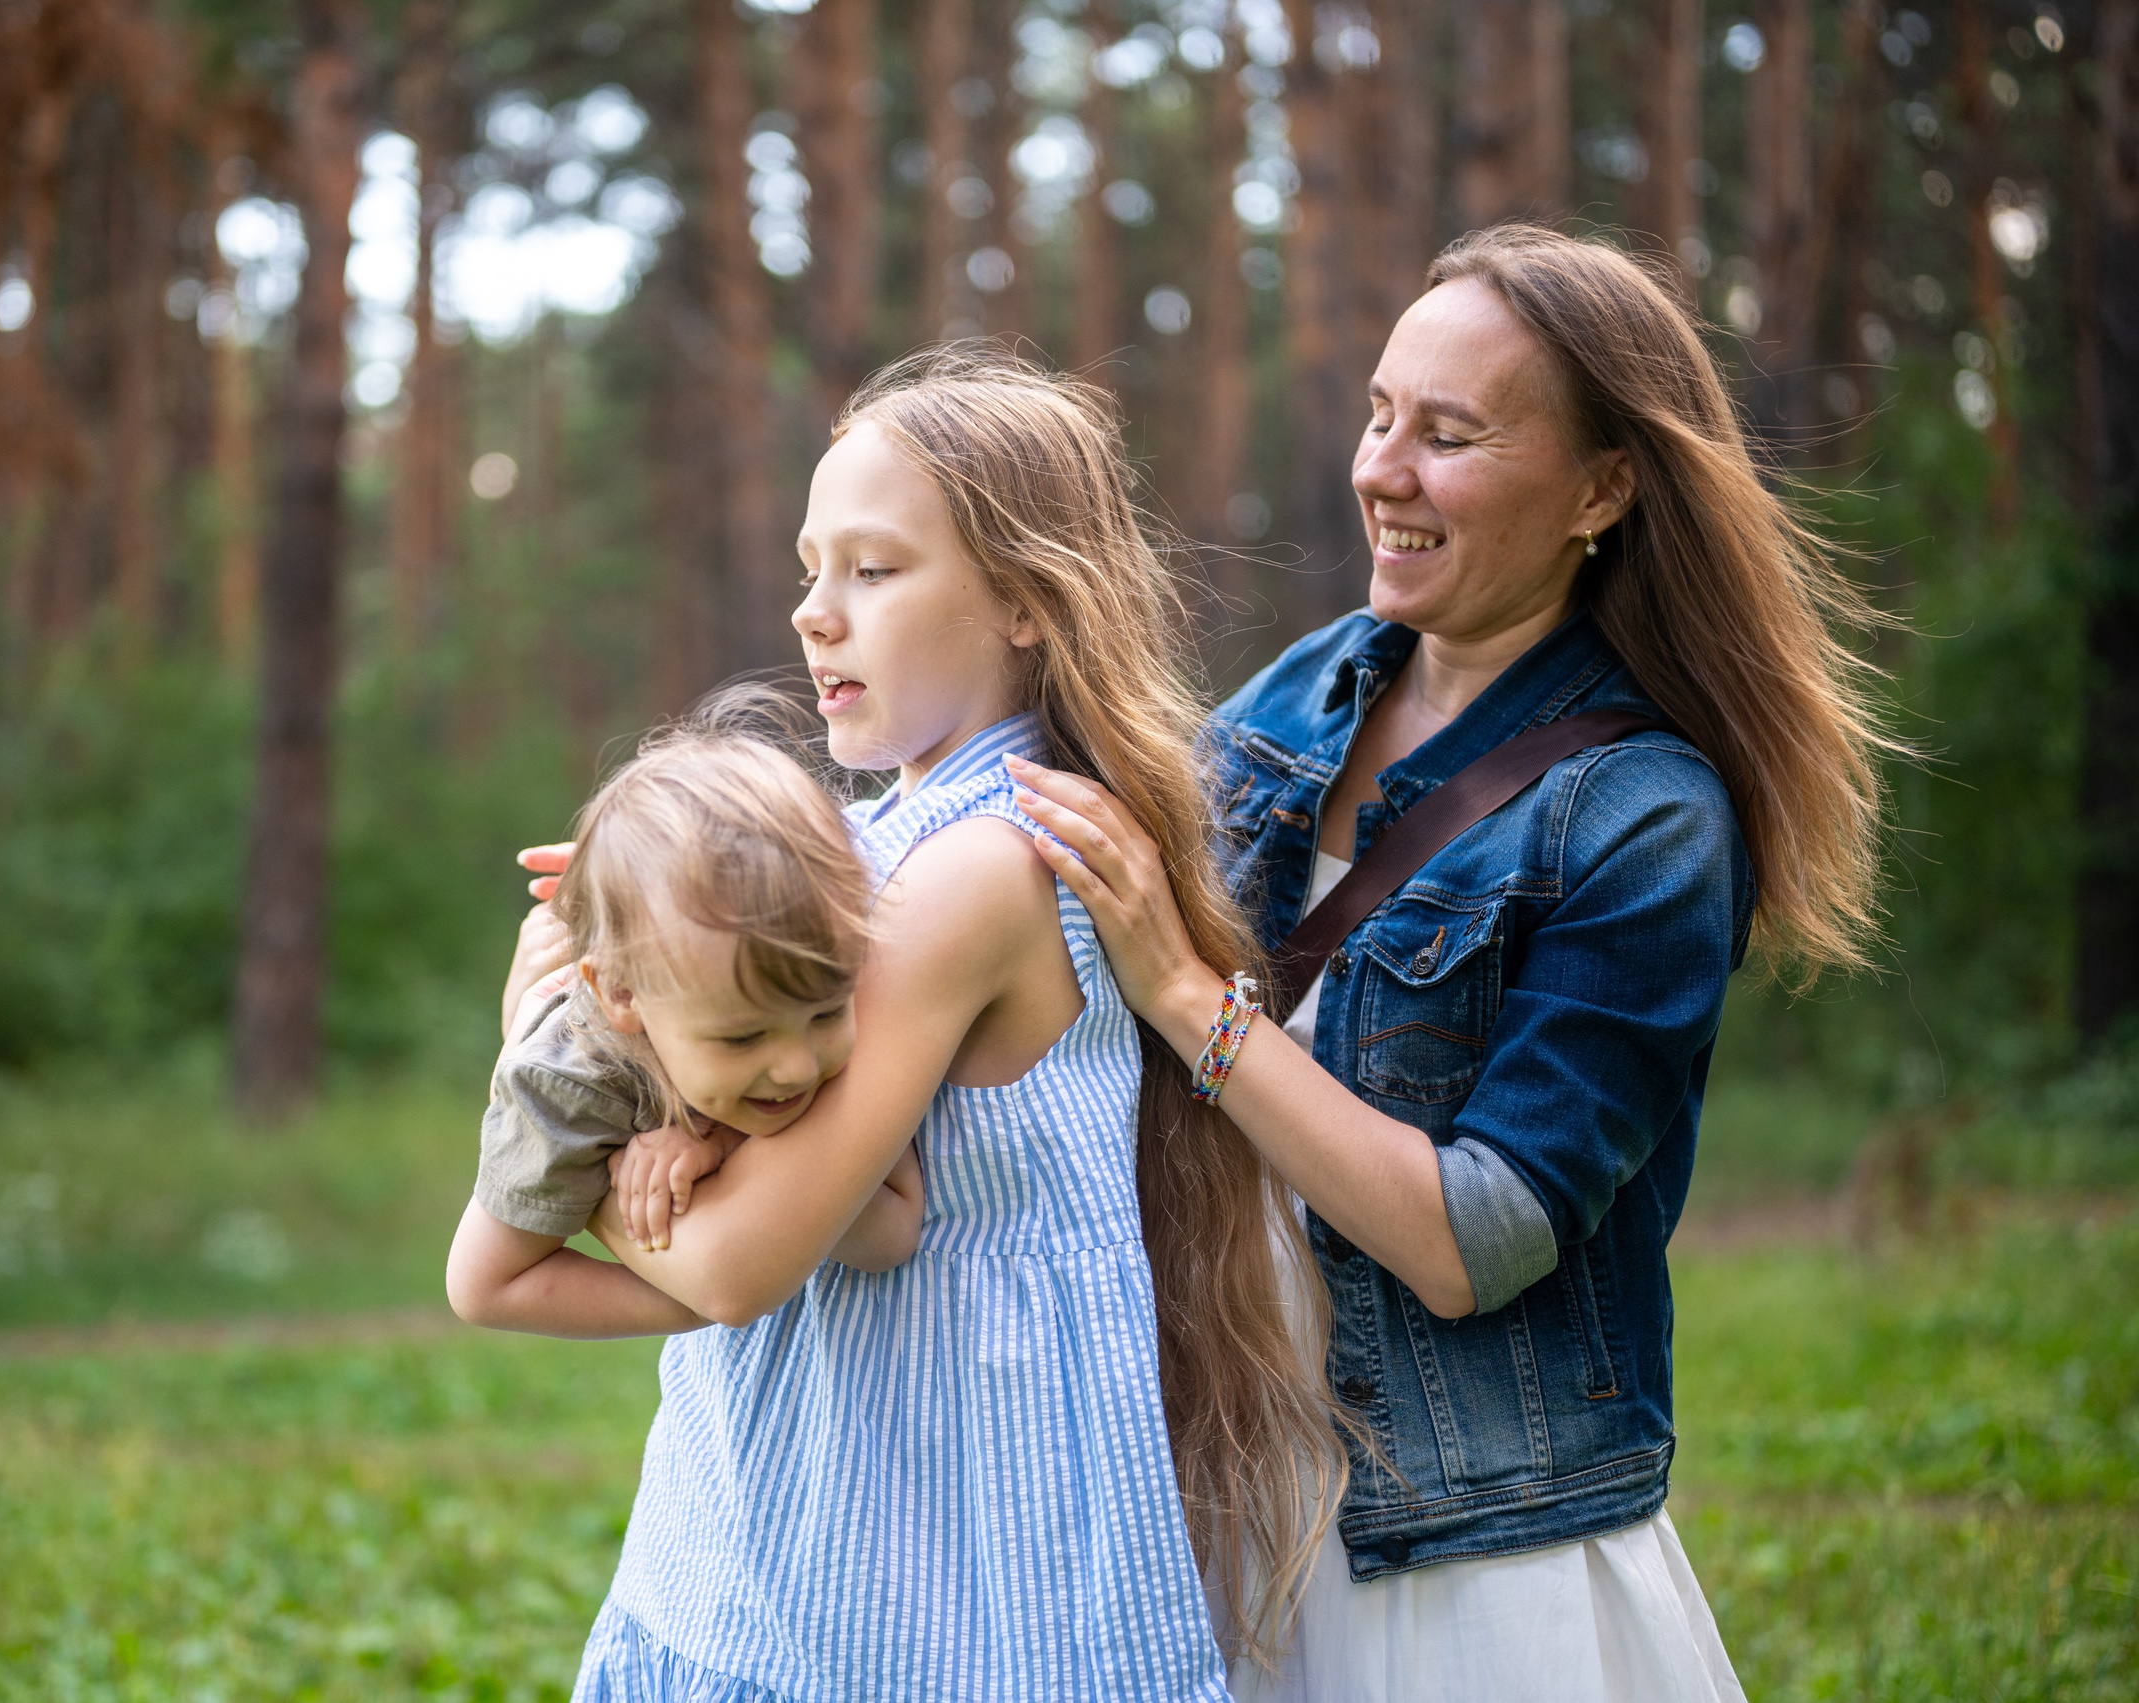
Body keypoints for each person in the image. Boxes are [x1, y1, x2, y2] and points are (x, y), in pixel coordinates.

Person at [1009, 224, 1894, 1701]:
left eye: (1451, 433)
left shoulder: (1646, 816)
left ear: (1603, 488)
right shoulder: (1315, 683)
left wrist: (1188, 1002)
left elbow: (1472, 1237)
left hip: (1464, 1552)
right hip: (1232, 1481)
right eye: (1378, 413)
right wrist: (741, 892)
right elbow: (1046, 850)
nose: (1382, 469)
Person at [504, 348, 1348, 1700]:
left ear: (1024, 600)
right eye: (808, 569)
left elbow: (732, 1269)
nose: (815, 617)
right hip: (792, 1536)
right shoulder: (869, 839)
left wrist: (569, 1088)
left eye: (873, 571)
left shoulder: (972, 872)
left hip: (923, 1582)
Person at [446, 718, 924, 1339]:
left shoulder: (803, 987)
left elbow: (893, 1229)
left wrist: (716, 1143)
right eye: (744, 1037)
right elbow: (486, 1288)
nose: (798, 1067)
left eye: (828, 1012)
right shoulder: (569, 1084)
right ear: (623, 995)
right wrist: (695, 1302)